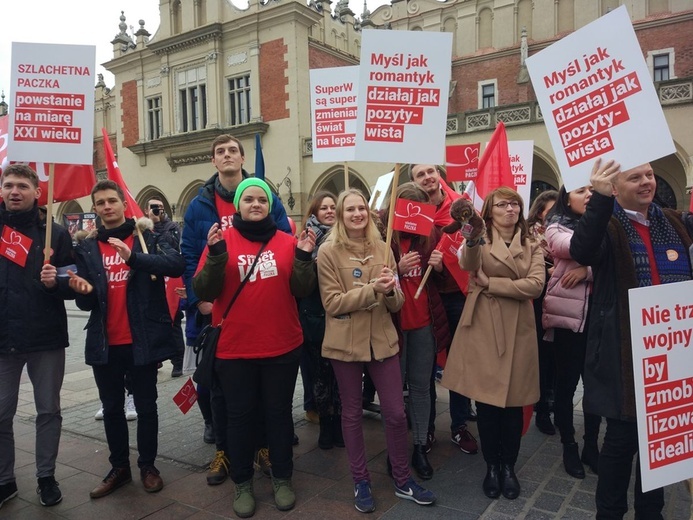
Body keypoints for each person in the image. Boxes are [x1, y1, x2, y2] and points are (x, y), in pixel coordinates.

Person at [570, 160, 693, 519]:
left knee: (660, 444)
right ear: (615, 186)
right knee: (622, 443)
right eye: (635, 177)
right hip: (623, 353)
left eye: (650, 175)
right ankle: (609, 512)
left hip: (669, 355)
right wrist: (599, 201)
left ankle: (650, 512)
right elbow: (583, 250)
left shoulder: (672, 222)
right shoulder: (608, 224)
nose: (646, 183)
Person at [193, 178, 316, 518]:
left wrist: (305, 257)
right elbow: (203, 288)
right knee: (239, 418)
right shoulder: (221, 239)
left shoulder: (288, 242)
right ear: (238, 205)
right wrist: (216, 255)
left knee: (278, 417)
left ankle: (282, 478)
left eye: (262, 199)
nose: (256, 204)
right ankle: (243, 483)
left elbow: (302, 289)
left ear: (270, 205)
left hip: (281, 347)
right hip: (234, 350)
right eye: (249, 199)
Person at [181, 134, 293, 485]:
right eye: (220, 152)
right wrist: (198, 301)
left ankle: (261, 447)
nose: (227, 155)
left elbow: (283, 242)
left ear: (242, 158)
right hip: (214, 312)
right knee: (219, 391)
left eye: (233, 150)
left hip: (261, 318)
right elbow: (189, 257)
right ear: (213, 161)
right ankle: (225, 452)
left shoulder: (263, 195)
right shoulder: (199, 204)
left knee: (260, 394)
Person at [318, 188, 435, 513]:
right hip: (345, 344)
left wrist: (391, 286)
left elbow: (396, 302)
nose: (357, 214)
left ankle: (402, 478)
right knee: (352, 413)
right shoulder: (328, 252)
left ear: (369, 214)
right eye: (350, 210)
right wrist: (372, 290)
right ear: (341, 216)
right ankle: (361, 480)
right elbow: (332, 303)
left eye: (361, 209)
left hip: (382, 340)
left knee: (396, 414)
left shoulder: (384, 248)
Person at [69, 180, 185, 499]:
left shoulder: (146, 236)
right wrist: (84, 293)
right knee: (112, 408)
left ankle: (148, 466)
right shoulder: (88, 247)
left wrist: (133, 258)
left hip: (142, 339)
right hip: (105, 342)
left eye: (112, 201)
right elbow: (86, 302)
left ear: (123, 203)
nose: (107, 207)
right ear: (95, 208)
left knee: (147, 407)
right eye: (100, 203)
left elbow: (175, 264)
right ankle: (119, 468)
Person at [441, 187, 544, 500]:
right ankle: (492, 466)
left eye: (515, 204)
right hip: (485, 327)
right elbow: (468, 265)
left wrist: (494, 284)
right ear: (490, 210)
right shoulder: (478, 238)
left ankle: (508, 466)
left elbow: (536, 285)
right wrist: (471, 236)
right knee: (487, 403)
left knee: (514, 404)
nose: (510, 209)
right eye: (502, 204)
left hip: (519, 329)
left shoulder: (532, 242)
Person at [0, 164, 75, 508]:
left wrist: (55, 281)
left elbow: (73, 282)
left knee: (48, 411)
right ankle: (5, 479)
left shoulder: (56, 235)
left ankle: (46, 475)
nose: (14, 191)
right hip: (3, 338)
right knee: (1, 413)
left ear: (36, 193)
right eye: (9, 185)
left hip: (45, 337)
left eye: (22, 187)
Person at [381, 182, 451, 480]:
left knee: (422, 389)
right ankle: (395, 449)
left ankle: (420, 446)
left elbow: (446, 279)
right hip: (392, 325)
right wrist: (395, 267)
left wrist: (439, 266)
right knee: (394, 393)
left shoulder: (430, 235)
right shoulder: (382, 237)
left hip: (423, 323)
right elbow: (371, 276)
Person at [410, 164, 478, 455]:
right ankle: (425, 428)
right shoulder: (414, 215)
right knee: (426, 363)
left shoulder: (462, 207)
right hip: (429, 297)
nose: (427, 177)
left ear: (439, 175)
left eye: (429, 171)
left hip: (460, 295)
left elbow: (477, 240)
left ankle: (459, 425)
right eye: (419, 175)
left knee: (460, 362)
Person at [543, 185, 602, 479]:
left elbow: (617, 258)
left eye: (593, 190)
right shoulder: (555, 226)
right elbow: (578, 248)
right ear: (567, 198)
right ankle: (569, 444)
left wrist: (587, 271)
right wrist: (593, 263)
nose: (589, 194)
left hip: (599, 319)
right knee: (566, 386)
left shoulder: (608, 224)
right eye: (581, 190)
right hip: (568, 319)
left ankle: (592, 445)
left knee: (595, 388)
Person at [298, 190, 344, 449]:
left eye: (332, 207)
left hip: (342, 314)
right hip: (315, 316)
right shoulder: (307, 239)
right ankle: (326, 425)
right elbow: (301, 284)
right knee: (320, 375)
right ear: (314, 212)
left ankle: (340, 424)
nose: (328, 211)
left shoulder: (346, 238)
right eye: (323, 207)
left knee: (341, 375)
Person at [527, 190, 559, 436]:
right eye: (551, 211)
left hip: (563, 301)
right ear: (539, 213)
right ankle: (542, 409)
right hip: (537, 301)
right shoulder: (529, 236)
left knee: (557, 356)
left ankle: (556, 402)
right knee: (542, 355)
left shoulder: (569, 232)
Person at [148, 198, 185, 378]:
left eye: (160, 208)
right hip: (153, 279)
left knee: (174, 321)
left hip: (170, 279)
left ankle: (178, 361)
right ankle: (156, 358)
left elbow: (173, 247)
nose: (157, 211)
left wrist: (159, 226)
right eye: (154, 208)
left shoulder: (171, 227)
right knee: (153, 322)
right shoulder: (143, 229)